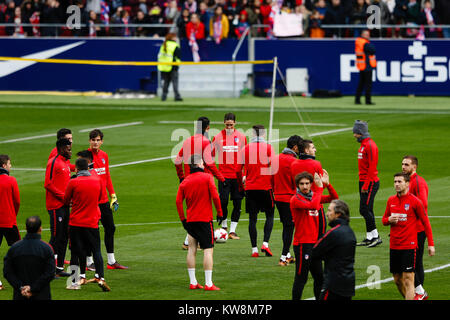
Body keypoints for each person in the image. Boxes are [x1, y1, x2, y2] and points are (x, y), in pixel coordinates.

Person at [382, 173, 435, 300]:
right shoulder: (391, 200)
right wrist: (389, 219)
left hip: (409, 245)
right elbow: (384, 220)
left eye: (399, 182)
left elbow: (426, 223)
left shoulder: (415, 202)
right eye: (395, 182)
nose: (396, 184)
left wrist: (431, 244)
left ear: (407, 184)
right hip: (394, 245)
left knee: (408, 279)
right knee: (397, 280)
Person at [175, 116, 225, 249]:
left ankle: (188, 242)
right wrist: (221, 178)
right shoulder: (206, 142)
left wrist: (181, 177)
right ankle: (196, 242)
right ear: (207, 128)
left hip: (188, 179)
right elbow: (210, 163)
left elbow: (177, 161)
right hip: (203, 179)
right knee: (203, 209)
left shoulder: (187, 141)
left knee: (192, 208)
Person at [176, 155, 223, 291]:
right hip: (204, 220)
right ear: (199, 164)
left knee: (191, 250)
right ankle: (208, 283)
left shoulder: (185, 181)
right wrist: (219, 212)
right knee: (208, 250)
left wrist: (183, 219)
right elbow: (215, 196)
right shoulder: (208, 177)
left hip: (191, 220)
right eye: (202, 162)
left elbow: (178, 202)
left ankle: (193, 282)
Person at [290, 171, 338, 300]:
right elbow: (314, 206)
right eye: (301, 184)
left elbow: (334, 199)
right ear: (297, 186)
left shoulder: (313, 196)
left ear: (311, 184)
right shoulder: (296, 199)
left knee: (319, 277)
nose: (305, 187)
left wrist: (328, 185)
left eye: (307, 183)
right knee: (301, 278)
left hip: (315, 245)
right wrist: (320, 188)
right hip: (302, 245)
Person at [64, 158, 110, 291]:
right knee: (96, 251)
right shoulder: (97, 181)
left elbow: (66, 200)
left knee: (76, 252)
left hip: (76, 223)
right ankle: (100, 277)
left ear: (77, 169)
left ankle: (74, 282)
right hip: (92, 222)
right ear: (88, 168)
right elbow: (101, 198)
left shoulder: (73, 182)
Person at [88, 129, 127, 270]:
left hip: (103, 200)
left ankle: (111, 261)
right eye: (93, 140)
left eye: (98, 140)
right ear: (89, 141)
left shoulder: (104, 155)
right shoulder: (86, 156)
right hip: (92, 201)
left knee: (110, 228)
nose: (95, 142)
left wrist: (113, 194)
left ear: (102, 141)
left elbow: (107, 175)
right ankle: (89, 261)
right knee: (92, 231)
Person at [235, 125, 275, 257]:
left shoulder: (245, 149)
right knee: (269, 215)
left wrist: (242, 185)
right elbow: (274, 168)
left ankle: (254, 250)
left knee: (253, 219)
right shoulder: (269, 148)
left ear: (252, 134)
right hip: (265, 187)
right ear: (263, 134)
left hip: (251, 188)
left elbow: (237, 170)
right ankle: (265, 243)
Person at [212, 113, 247, 239]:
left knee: (237, 203)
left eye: (231, 125)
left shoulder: (242, 137)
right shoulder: (217, 138)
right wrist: (215, 172)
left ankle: (232, 231)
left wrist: (244, 174)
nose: (229, 127)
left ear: (235, 124)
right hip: (224, 176)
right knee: (224, 201)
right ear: (224, 123)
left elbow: (246, 157)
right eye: (227, 125)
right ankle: (224, 227)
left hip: (237, 176)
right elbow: (210, 156)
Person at [311, 200, 356, 300]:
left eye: (329, 211)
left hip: (333, 284)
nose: (327, 214)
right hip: (349, 283)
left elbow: (314, 252)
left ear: (338, 214)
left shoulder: (333, 232)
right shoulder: (350, 232)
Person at [3, 216, 55, 300]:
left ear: (26, 228)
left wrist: (21, 287)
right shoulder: (46, 249)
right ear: (40, 229)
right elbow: (50, 273)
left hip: (20, 295)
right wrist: (33, 288)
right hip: (41, 295)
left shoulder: (14, 248)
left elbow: (7, 272)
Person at [272, 135, 303, 266]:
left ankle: (288, 255)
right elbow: (297, 182)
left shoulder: (276, 158)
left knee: (286, 226)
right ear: (295, 147)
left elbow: (271, 179)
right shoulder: (294, 162)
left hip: (278, 197)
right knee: (290, 227)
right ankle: (283, 256)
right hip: (289, 198)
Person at [401, 155, 429, 300]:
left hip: (417, 230)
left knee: (414, 263)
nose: (403, 167)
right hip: (408, 229)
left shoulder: (418, 182)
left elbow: (423, 204)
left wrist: (408, 218)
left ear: (414, 167)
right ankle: (419, 292)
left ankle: (420, 292)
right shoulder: (406, 181)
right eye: (403, 164)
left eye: (407, 165)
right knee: (414, 263)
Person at [44, 138, 72, 277]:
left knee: (64, 237)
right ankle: (47, 268)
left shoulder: (66, 163)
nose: (70, 150)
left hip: (65, 205)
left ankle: (59, 268)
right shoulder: (53, 162)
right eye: (68, 148)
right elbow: (48, 184)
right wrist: (63, 197)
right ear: (61, 148)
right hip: (55, 206)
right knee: (55, 237)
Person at [353, 120, 382, 248]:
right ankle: (370, 237)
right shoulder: (364, 144)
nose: (354, 135)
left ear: (360, 132)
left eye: (356, 133)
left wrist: (365, 184)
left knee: (364, 209)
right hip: (364, 181)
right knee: (367, 209)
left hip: (369, 182)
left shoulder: (370, 145)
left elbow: (372, 167)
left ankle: (376, 236)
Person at [290, 139, 327, 239]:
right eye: (313, 148)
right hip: (315, 203)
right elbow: (320, 184)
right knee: (320, 234)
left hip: (300, 202)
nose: (315, 150)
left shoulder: (294, 164)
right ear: (306, 150)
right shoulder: (316, 164)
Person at [0, 154, 21, 291]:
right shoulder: (11, 180)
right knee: (18, 250)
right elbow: (17, 201)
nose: (10, 166)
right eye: (9, 163)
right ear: (4, 166)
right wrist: (13, 214)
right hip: (9, 221)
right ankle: (20, 277)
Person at [158, 32, 183, 102]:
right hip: (173, 66)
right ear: (172, 38)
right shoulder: (174, 45)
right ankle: (177, 96)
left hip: (164, 67)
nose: (176, 38)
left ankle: (164, 96)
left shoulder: (163, 45)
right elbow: (178, 56)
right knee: (175, 82)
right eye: (175, 37)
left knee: (166, 82)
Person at [354, 29, 376, 105]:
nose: (368, 36)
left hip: (362, 66)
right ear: (362, 35)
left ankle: (357, 100)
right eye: (366, 34)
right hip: (366, 66)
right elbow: (373, 50)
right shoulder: (364, 42)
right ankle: (367, 100)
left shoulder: (360, 41)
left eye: (368, 34)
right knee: (367, 84)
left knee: (361, 84)